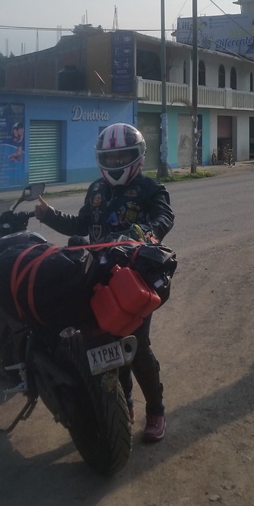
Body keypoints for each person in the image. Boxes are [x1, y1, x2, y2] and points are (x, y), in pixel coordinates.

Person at [35, 122, 174, 443]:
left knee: (136, 346)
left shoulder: (152, 188)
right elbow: (83, 222)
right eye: (109, 158)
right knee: (102, 341)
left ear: (137, 156)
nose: (115, 163)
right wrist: (48, 214)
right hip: (95, 273)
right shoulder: (96, 190)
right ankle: (123, 403)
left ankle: (156, 409)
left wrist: (146, 232)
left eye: (122, 156)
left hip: (132, 276)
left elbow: (164, 217)